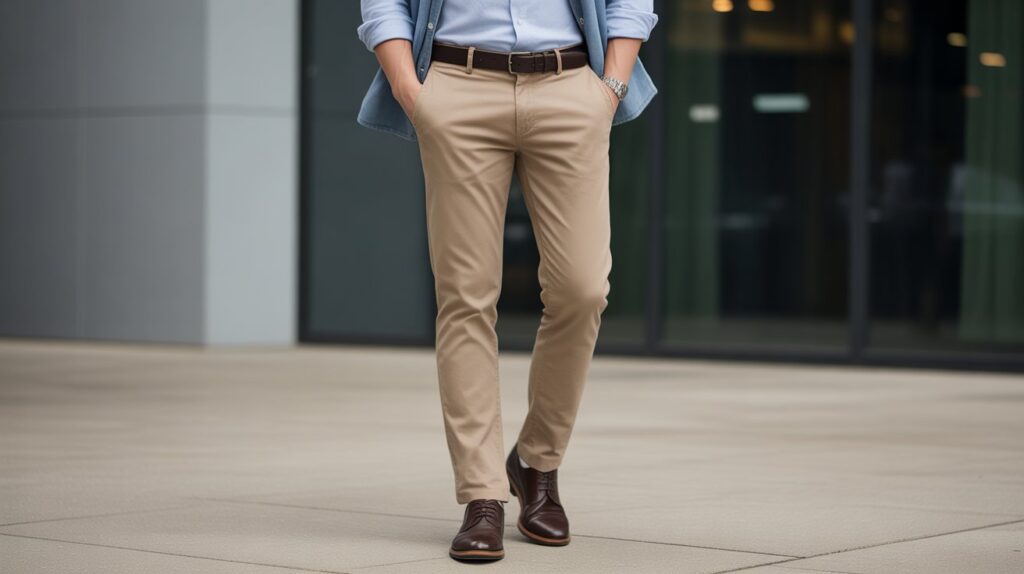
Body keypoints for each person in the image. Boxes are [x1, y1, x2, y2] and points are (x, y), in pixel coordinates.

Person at [356, 0, 658, 562]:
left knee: (583, 289)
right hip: (457, 85)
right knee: (465, 297)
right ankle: (482, 495)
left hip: (571, 86)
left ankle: (536, 461)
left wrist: (610, 88)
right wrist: (409, 90)